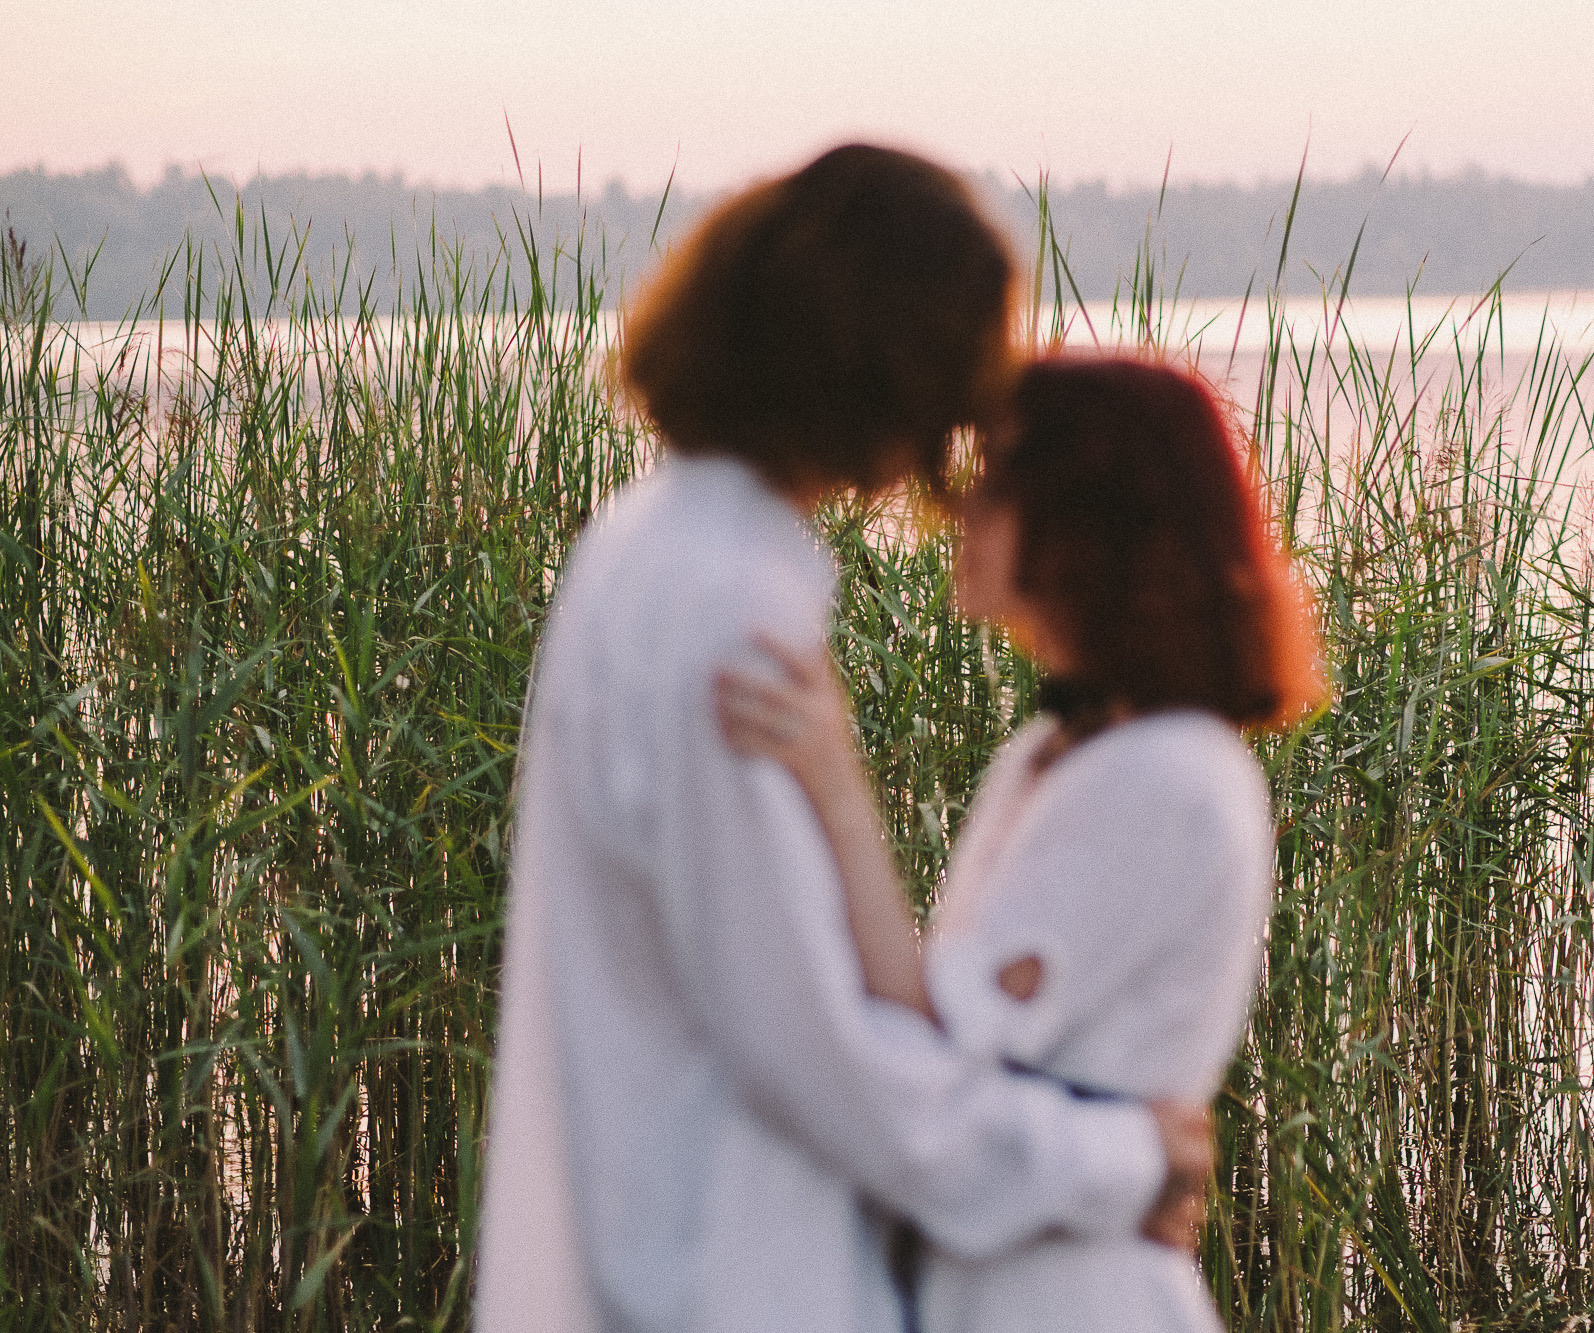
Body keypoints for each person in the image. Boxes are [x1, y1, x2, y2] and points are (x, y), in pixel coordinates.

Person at [475, 148, 1212, 1333]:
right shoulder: (724, 610)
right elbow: (815, 1047)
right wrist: (1116, 1158)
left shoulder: (638, 549)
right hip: (732, 1282)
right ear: (886, 371)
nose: (967, 430)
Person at [717, 356, 1326, 1332]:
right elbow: (933, 1042)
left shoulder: (1162, 775)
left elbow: (935, 1057)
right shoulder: (1053, 752)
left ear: (1084, 526)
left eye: (991, 485)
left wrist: (835, 785)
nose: (954, 516)